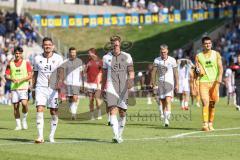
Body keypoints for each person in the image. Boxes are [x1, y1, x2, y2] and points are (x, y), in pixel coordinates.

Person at [102, 35, 134, 143]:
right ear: (111, 45)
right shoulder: (106, 57)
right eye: (113, 44)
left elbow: (131, 71)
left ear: (120, 44)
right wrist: (102, 87)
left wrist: (130, 80)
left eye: (116, 44)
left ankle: (120, 135)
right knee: (112, 109)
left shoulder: (127, 56)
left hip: (123, 87)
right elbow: (104, 74)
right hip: (111, 86)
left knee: (123, 112)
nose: (115, 46)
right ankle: (115, 135)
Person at [33, 37, 63, 143]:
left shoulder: (59, 58)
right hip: (40, 87)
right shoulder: (37, 58)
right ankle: (40, 136)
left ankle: (51, 135)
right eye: (45, 44)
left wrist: (59, 84)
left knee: (53, 112)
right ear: (42, 46)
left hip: (53, 89)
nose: (47, 46)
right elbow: (35, 73)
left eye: (49, 44)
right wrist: (33, 88)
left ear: (53, 46)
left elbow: (61, 73)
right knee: (39, 109)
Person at [195, 36, 223, 131]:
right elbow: (197, 69)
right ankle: (205, 124)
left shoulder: (216, 54)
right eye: (206, 43)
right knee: (205, 102)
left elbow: (220, 67)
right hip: (203, 81)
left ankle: (210, 123)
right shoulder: (198, 56)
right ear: (203, 45)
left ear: (211, 44)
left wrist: (219, 78)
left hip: (214, 82)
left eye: (209, 43)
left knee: (212, 104)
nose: (208, 45)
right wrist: (198, 71)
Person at [5, 46, 32, 130]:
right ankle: (18, 125)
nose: (17, 55)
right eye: (16, 53)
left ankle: (24, 119)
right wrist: (11, 79)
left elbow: (30, 75)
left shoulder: (26, 63)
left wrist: (20, 80)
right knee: (15, 107)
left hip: (23, 87)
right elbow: (6, 75)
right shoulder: (10, 63)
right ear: (14, 53)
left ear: (21, 54)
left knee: (24, 104)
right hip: (14, 88)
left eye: (19, 53)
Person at [151, 44, 178, 127]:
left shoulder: (172, 60)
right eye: (162, 52)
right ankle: (165, 117)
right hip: (161, 83)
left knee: (168, 100)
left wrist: (177, 84)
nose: (163, 54)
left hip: (170, 83)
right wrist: (153, 83)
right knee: (162, 101)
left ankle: (166, 120)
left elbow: (175, 73)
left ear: (167, 51)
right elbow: (153, 72)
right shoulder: (157, 60)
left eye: (165, 52)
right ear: (160, 52)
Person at [64, 47, 84, 120]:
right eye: (71, 52)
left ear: (76, 53)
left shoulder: (79, 61)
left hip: (76, 83)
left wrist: (82, 84)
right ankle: (72, 110)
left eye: (74, 53)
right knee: (70, 99)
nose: (73, 54)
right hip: (68, 83)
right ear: (69, 53)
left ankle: (73, 114)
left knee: (75, 98)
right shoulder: (65, 62)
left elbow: (82, 73)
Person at [85, 48, 103, 120]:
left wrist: (99, 82)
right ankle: (92, 115)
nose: (88, 54)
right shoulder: (88, 62)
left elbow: (101, 72)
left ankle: (99, 113)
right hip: (89, 84)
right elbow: (85, 72)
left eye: (89, 53)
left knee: (97, 99)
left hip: (97, 84)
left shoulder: (99, 61)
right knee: (90, 100)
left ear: (93, 53)